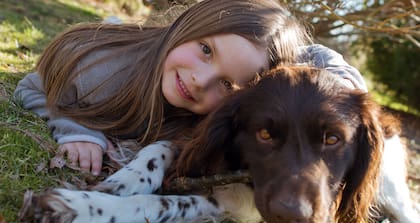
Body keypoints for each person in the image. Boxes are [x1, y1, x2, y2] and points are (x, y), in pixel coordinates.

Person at [14, 0, 366, 176]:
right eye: (206, 50)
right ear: (192, 22)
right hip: (125, 55)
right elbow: (32, 87)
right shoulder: (102, 74)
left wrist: (341, 84)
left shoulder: (208, 119)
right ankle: (118, 25)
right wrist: (76, 131)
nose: (200, 80)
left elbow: (310, 55)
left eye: (227, 84)